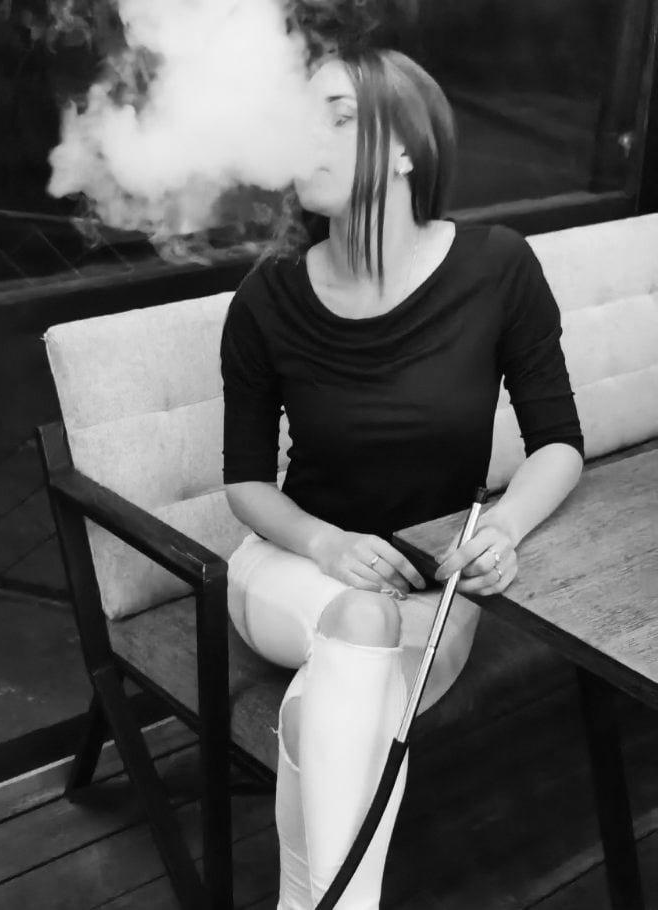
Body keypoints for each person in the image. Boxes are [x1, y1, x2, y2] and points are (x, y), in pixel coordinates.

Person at [219, 48, 584, 910]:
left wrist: (502, 530)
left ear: (407, 148)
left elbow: (559, 444)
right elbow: (245, 484)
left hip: (433, 589)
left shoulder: (498, 268)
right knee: (360, 615)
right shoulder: (267, 297)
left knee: (318, 716)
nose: (306, 137)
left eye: (340, 116)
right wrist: (327, 544)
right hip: (289, 570)